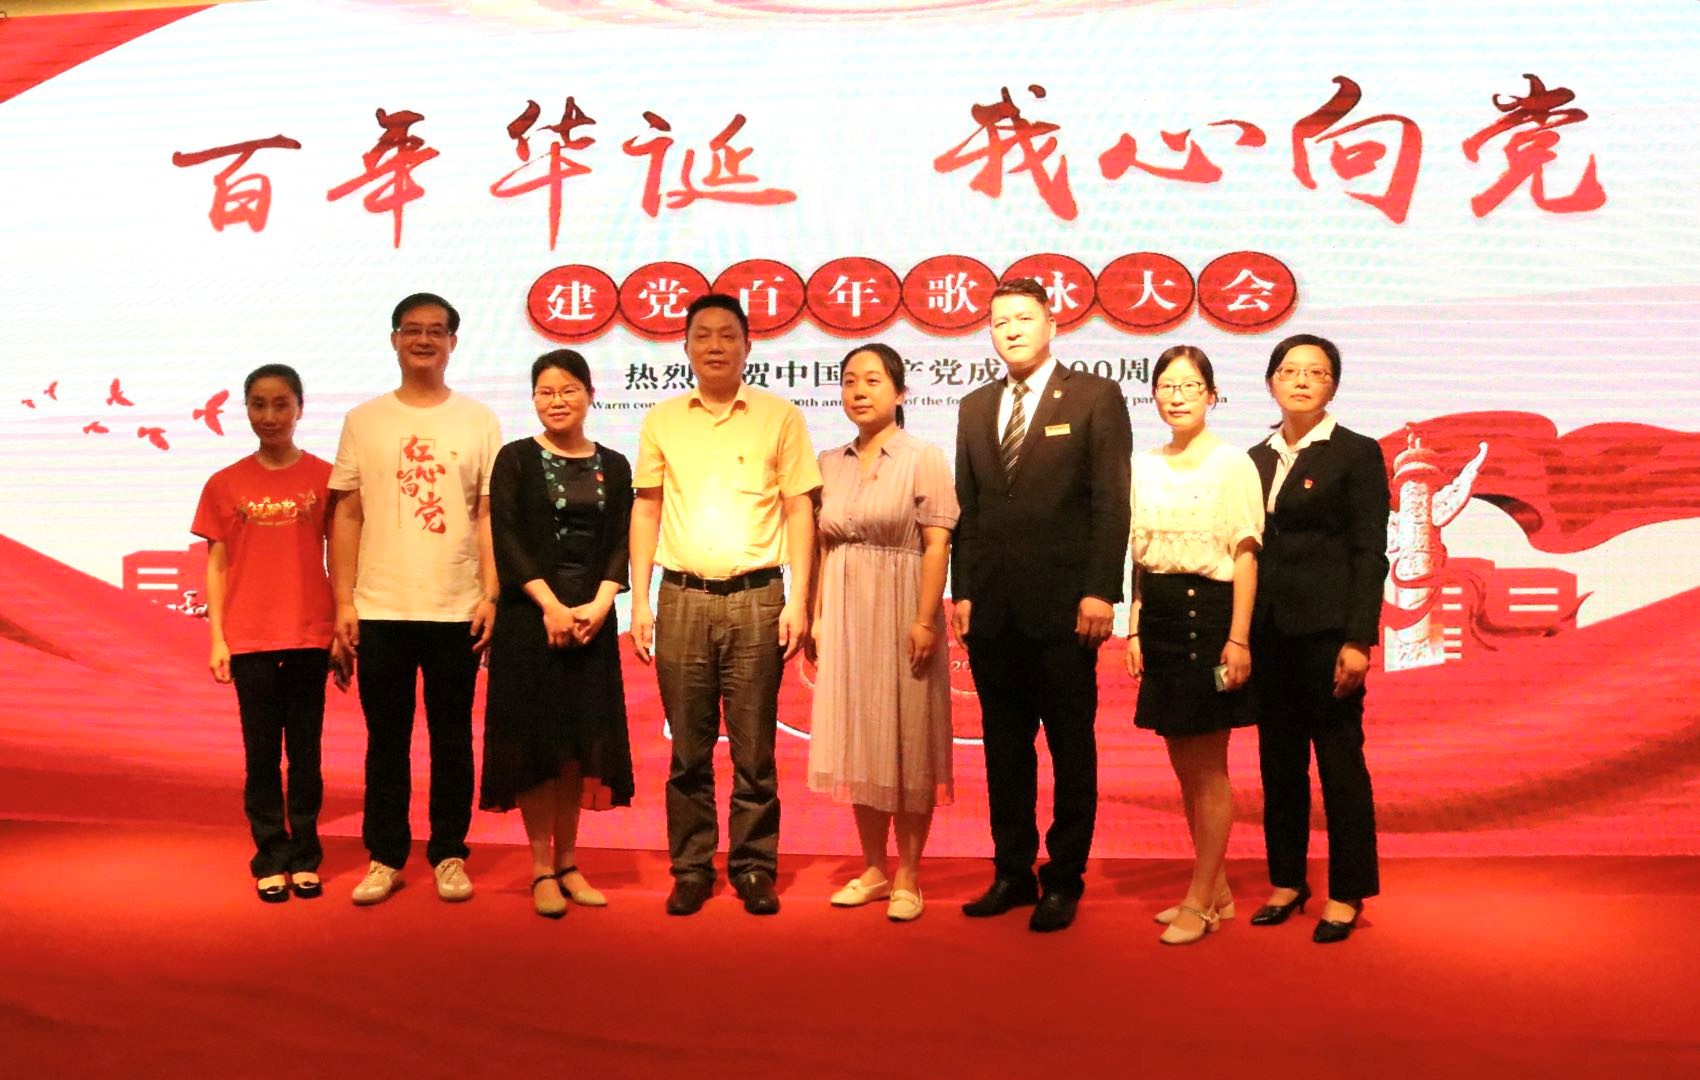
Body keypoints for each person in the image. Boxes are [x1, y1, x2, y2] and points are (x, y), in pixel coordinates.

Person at [629, 293, 821, 917]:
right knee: (687, 749)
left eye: (727, 335)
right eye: (703, 335)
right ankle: (690, 868)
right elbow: (647, 509)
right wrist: (640, 601)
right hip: (682, 597)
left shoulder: (779, 417)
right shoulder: (663, 420)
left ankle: (754, 866)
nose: (715, 345)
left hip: (758, 599)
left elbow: (799, 509)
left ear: (747, 345)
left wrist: (800, 600)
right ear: (685, 346)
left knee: (754, 750)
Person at [952, 277, 1132, 932]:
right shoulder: (975, 407)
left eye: (1023, 318)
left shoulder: (1093, 397)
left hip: (1065, 611)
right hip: (992, 613)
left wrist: (1101, 589)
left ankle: (1064, 877)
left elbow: (1111, 501)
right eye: (1000, 321)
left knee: (1069, 748)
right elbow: (969, 509)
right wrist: (962, 591)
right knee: (1005, 750)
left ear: (1052, 324)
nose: (1012, 330)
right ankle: (1012, 870)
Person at [328, 292, 503, 906]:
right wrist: (343, 602)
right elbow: (346, 514)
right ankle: (385, 856)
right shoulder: (365, 419)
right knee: (387, 740)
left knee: (453, 738)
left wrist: (491, 593)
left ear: (453, 342)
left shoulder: (478, 420)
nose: (423, 340)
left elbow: (487, 514)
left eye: (436, 331)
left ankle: (450, 852)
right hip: (381, 608)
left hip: (457, 607)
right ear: (394, 339)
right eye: (411, 330)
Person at [806, 343, 958, 923]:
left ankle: (909, 875)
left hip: (903, 608)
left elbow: (938, 543)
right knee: (860, 738)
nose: (859, 390)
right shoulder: (827, 462)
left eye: (872, 380)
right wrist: (818, 614)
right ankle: (873, 868)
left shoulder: (923, 457)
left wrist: (924, 619)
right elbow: (822, 547)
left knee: (909, 738)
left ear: (900, 391)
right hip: (845, 610)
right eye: (849, 381)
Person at [480, 350, 635, 918]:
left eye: (568, 390)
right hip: (530, 621)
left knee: (578, 747)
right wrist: (548, 605)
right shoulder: (516, 459)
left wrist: (601, 602)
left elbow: (623, 538)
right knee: (536, 747)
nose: (557, 401)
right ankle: (542, 866)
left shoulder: (615, 464)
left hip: (592, 620)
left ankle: (570, 861)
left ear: (590, 395)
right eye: (545, 392)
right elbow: (507, 537)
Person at [1246, 334, 1390, 944]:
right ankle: (1286, 880)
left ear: (1333, 385)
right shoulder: (1253, 458)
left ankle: (1347, 889)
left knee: (1339, 763)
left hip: (1328, 635)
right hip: (1268, 635)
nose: (1302, 380)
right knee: (1278, 764)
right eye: (1289, 370)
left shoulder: (1356, 452)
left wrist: (1358, 639)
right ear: (1271, 382)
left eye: (1317, 372)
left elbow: (1369, 552)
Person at [1125, 345, 1263, 945]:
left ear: (1212, 394)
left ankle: (1200, 899)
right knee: (1182, 761)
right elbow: (1138, 555)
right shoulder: (1144, 464)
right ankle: (1219, 890)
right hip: (1157, 614)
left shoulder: (1233, 464)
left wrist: (1238, 638)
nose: (1177, 396)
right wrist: (1134, 625)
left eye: (1190, 386)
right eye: (1167, 386)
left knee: (1208, 766)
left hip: (1208, 616)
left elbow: (1246, 556)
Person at [193, 364, 344, 903]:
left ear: (300, 408)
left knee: (305, 753)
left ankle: (305, 854)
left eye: (282, 404)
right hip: (250, 638)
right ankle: (270, 855)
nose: (270, 415)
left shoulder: (326, 478)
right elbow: (216, 566)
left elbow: (342, 559)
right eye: (259, 404)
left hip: (309, 633)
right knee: (260, 754)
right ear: (247, 409)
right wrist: (218, 637)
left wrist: (341, 626)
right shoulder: (224, 483)